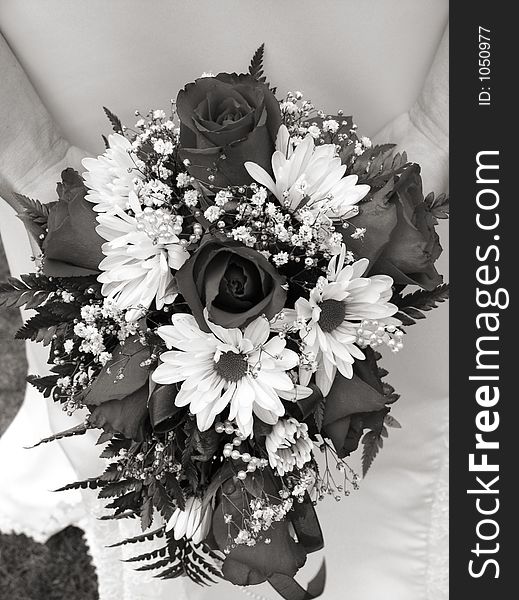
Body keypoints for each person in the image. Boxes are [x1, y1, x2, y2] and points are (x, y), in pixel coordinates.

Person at [0, 2, 448, 598]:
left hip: (388, 67)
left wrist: (442, 129)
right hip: (68, 91)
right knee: (131, 426)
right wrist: (30, 166)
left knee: (410, 418)